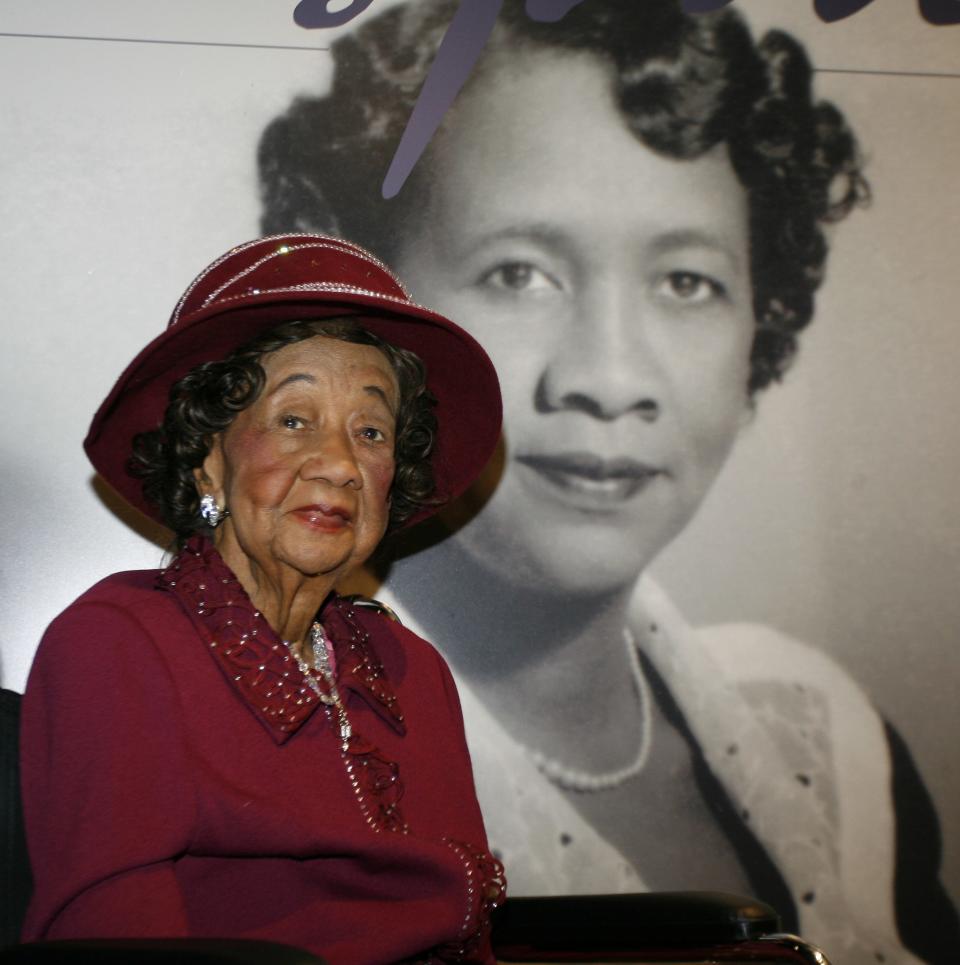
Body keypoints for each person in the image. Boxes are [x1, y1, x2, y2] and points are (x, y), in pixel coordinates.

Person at [256, 2, 960, 963]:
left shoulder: (827, 741)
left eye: (685, 282)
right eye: (519, 272)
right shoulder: (279, 773)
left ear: (764, 321)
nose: (609, 377)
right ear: (373, 322)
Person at [19, 234, 506, 964]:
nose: (341, 463)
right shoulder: (115, 645)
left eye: (371, 431)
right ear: (208, 457)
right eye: (293, 419)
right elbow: (113, 944)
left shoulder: (414, 671)